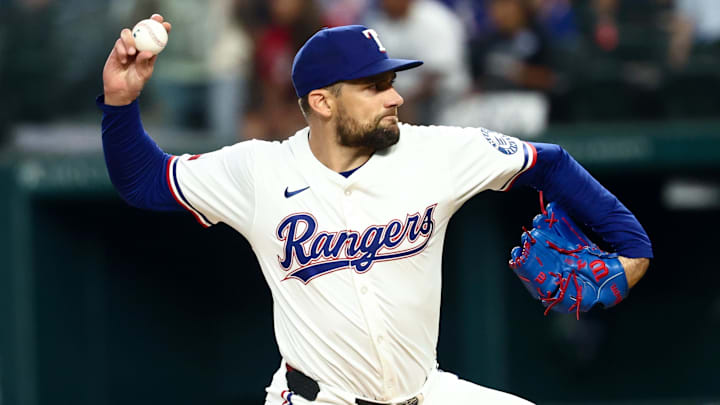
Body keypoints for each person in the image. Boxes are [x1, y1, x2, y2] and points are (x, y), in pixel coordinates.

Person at [99, 15, 652, 405]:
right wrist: (121, 102)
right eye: (373, 86)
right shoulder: (258, 171)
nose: (395, 97)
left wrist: (633, 248)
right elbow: (145, 181)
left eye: (391, 82)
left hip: (425, 392)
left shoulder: (435, 151)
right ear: (322, 101)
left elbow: (548, 162)